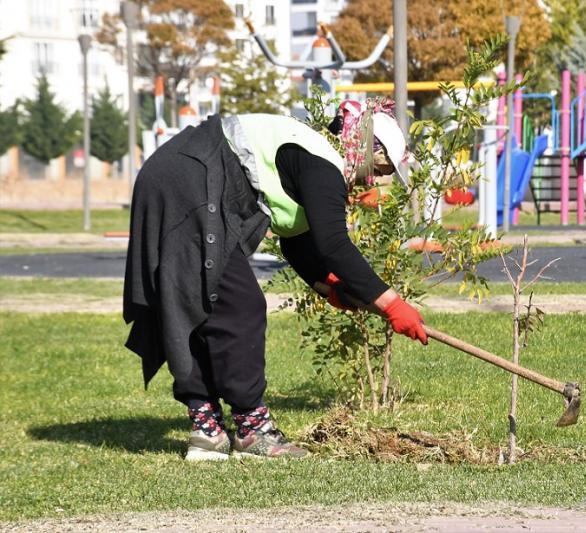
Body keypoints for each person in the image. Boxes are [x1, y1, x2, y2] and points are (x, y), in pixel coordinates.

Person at [123, 99, 427, 461]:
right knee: (241, 307)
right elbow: (334, 245)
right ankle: (252, 431)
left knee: (202, 300)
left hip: (179, 173)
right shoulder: (322, 163)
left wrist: (330, 289)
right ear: (366, 147)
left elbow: (296, 240)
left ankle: (208, 431)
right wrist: (391, 304)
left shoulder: (313, 156)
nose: (376, 179)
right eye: (381, 167)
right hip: (192, 177)